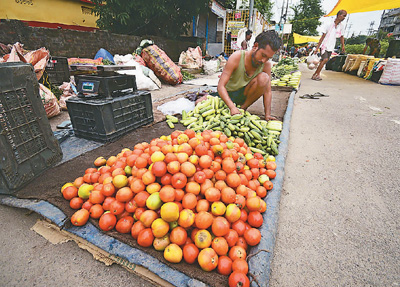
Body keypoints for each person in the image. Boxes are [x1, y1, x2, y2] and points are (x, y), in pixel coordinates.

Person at [217, 30, 282, 121]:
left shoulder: (266, 64)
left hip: (244, 96)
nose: (264, 60)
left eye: (268, 58)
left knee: (264, 78)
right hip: (227, 95)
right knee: (198, 102)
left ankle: (243, 108)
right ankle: (234, 108)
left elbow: (267, 91)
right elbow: (220, 86)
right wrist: (232, 107)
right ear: (255, 46)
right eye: (263, 55)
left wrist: (267, 114)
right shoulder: (237, 57)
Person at [312, 10, 347, 81]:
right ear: (338, 15)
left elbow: (341, 36)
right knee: (325, 60)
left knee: (323, 61)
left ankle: (315, 75)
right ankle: (317, 74)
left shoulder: (341, 26)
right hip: (324, 46)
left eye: (345, 16)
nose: (344, 17)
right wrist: (317, 47)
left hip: (331, 46)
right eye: (343, 15)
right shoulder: (329, 24)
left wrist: (343, 46)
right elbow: (323, 36)